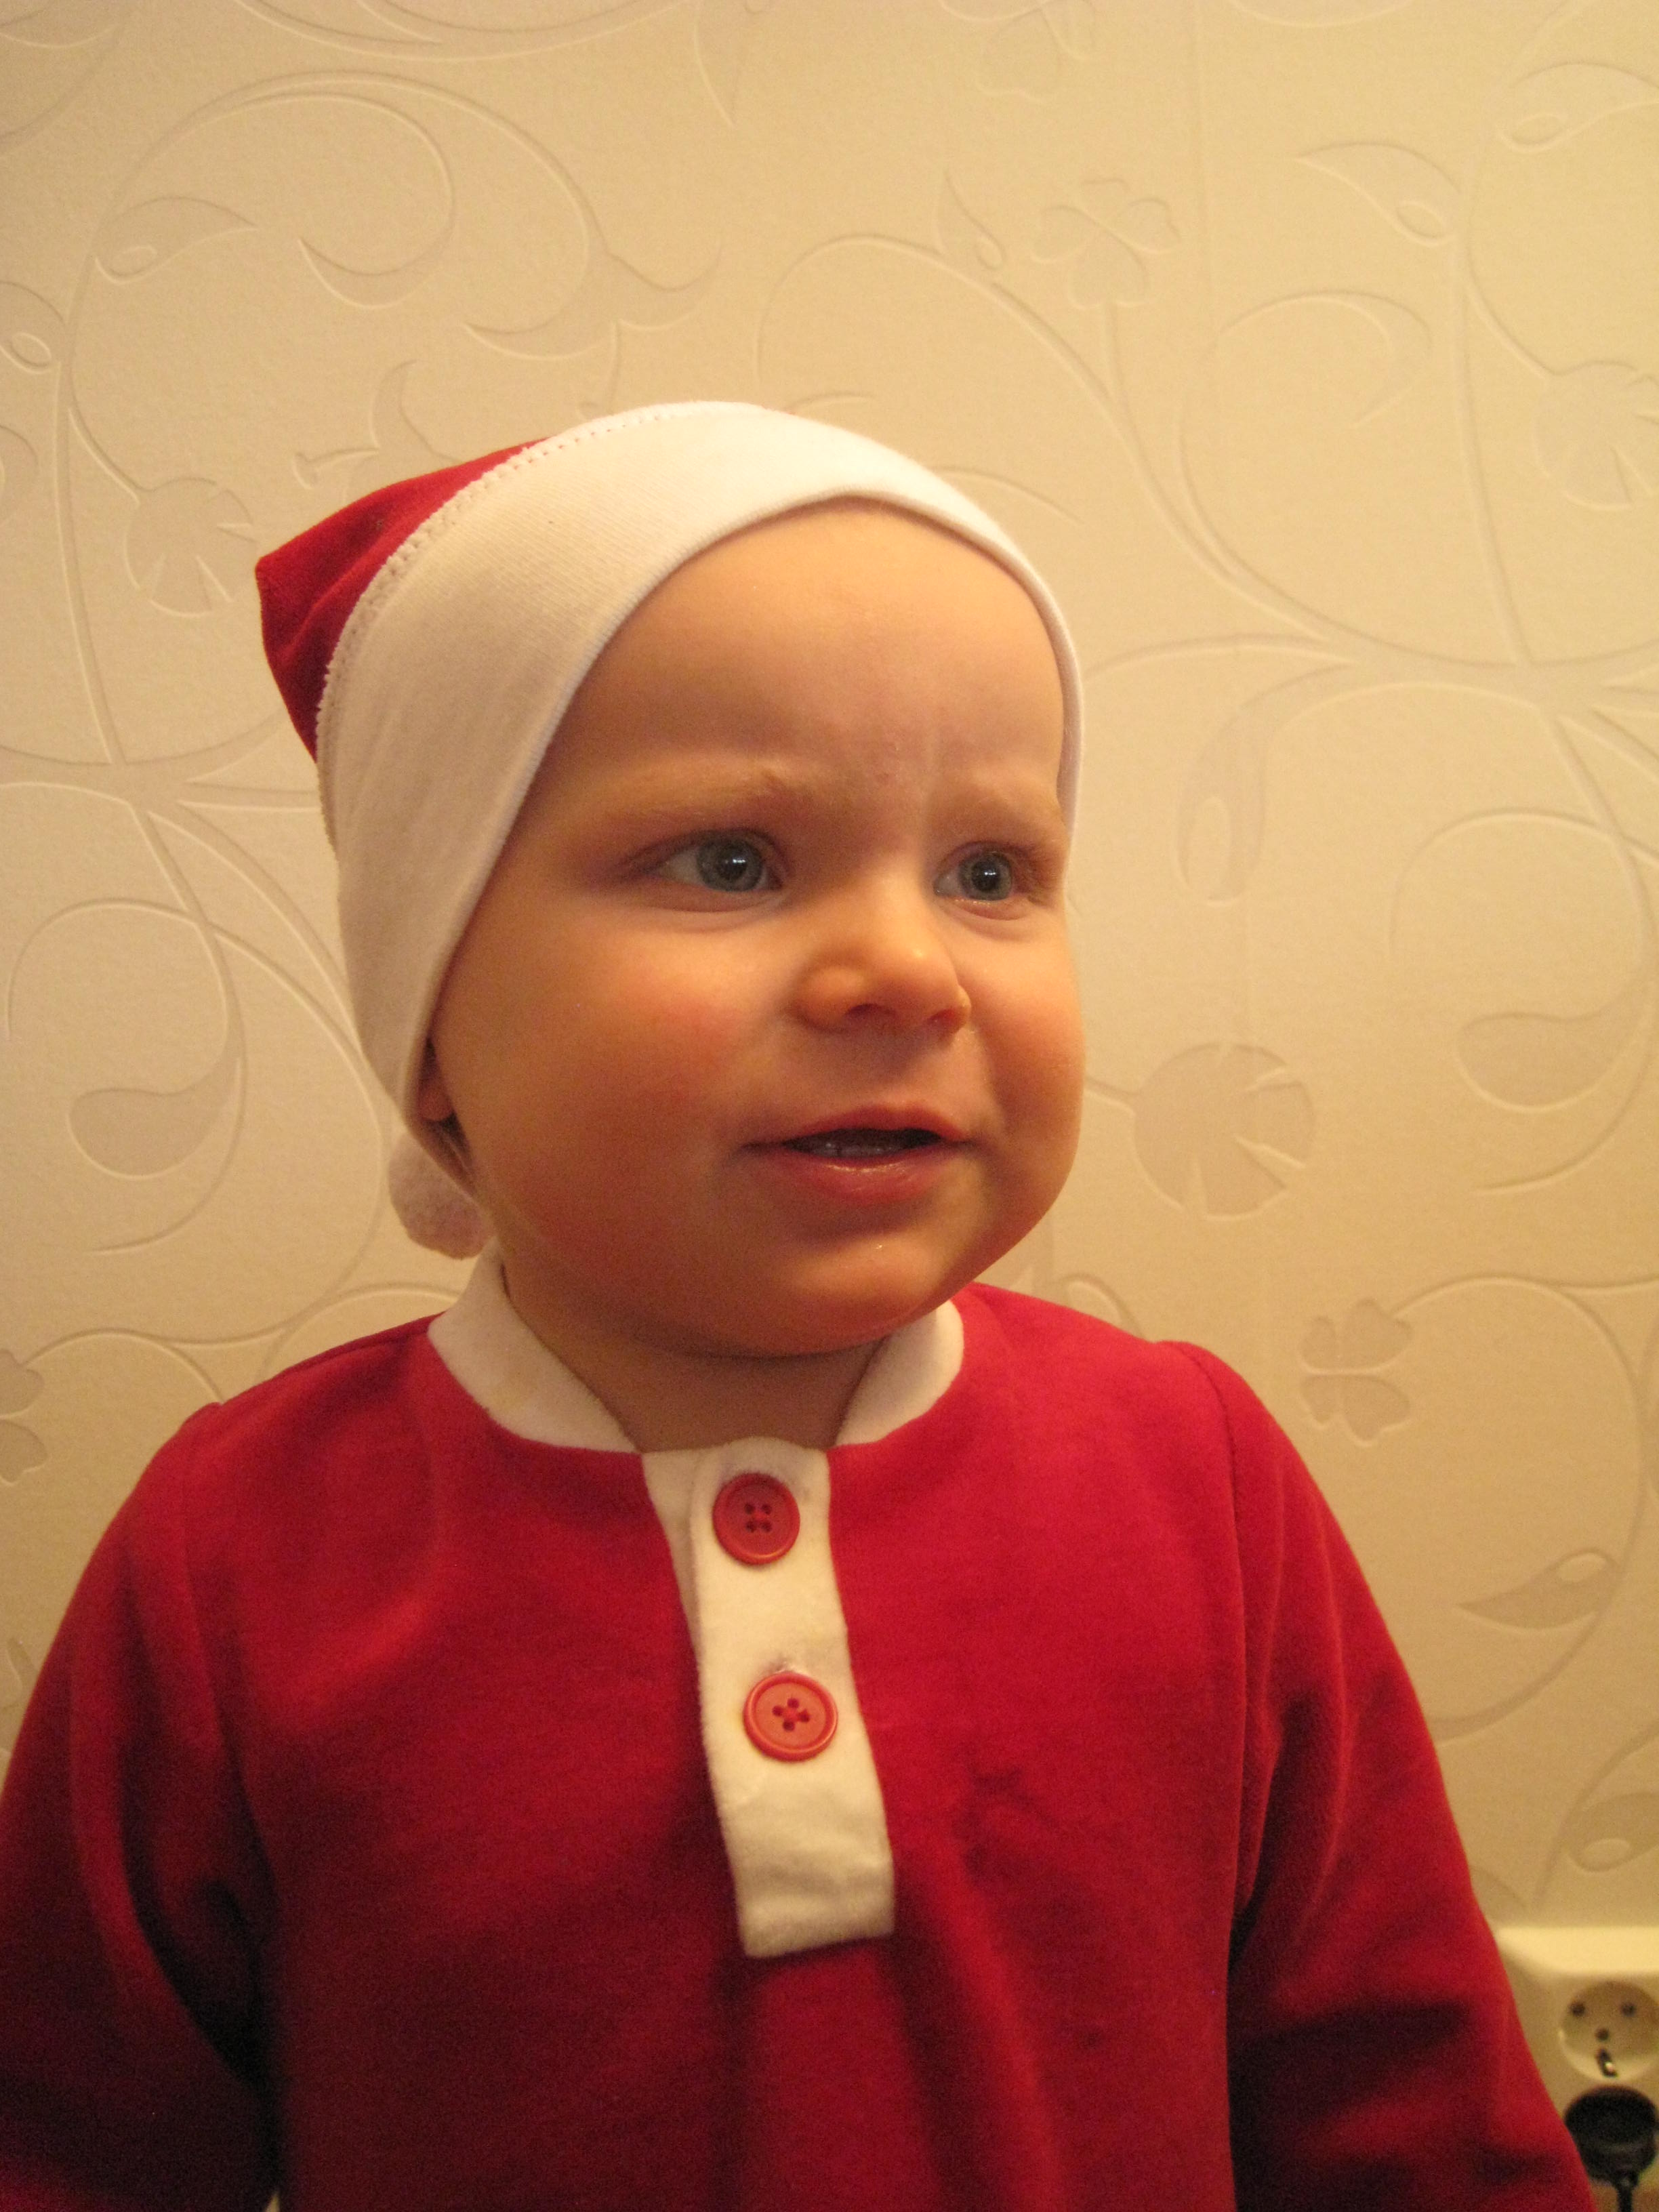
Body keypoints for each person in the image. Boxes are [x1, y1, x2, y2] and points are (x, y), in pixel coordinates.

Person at [0, 403, 1591, 2209]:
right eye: (731, 860)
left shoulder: (1196, 1478)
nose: (907, 969)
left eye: (989, 872)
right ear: (433, 1019)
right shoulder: (235, 1556)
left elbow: (1412, 2114)